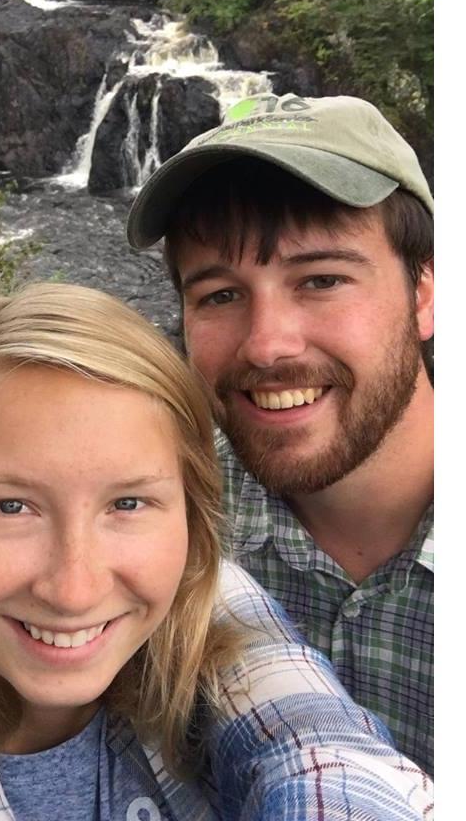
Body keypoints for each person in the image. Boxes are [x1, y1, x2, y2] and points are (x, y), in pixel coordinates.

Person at [0, 283, 433, 820]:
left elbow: (322, 755)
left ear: (192, 522)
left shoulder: (210, 610)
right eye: (12, 506)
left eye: (127, 504)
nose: (75, 586)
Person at [126, 92, 434, 776]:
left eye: (321, 279)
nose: (267, 346)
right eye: (220, 295)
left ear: (425, 294)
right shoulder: (161, 511)